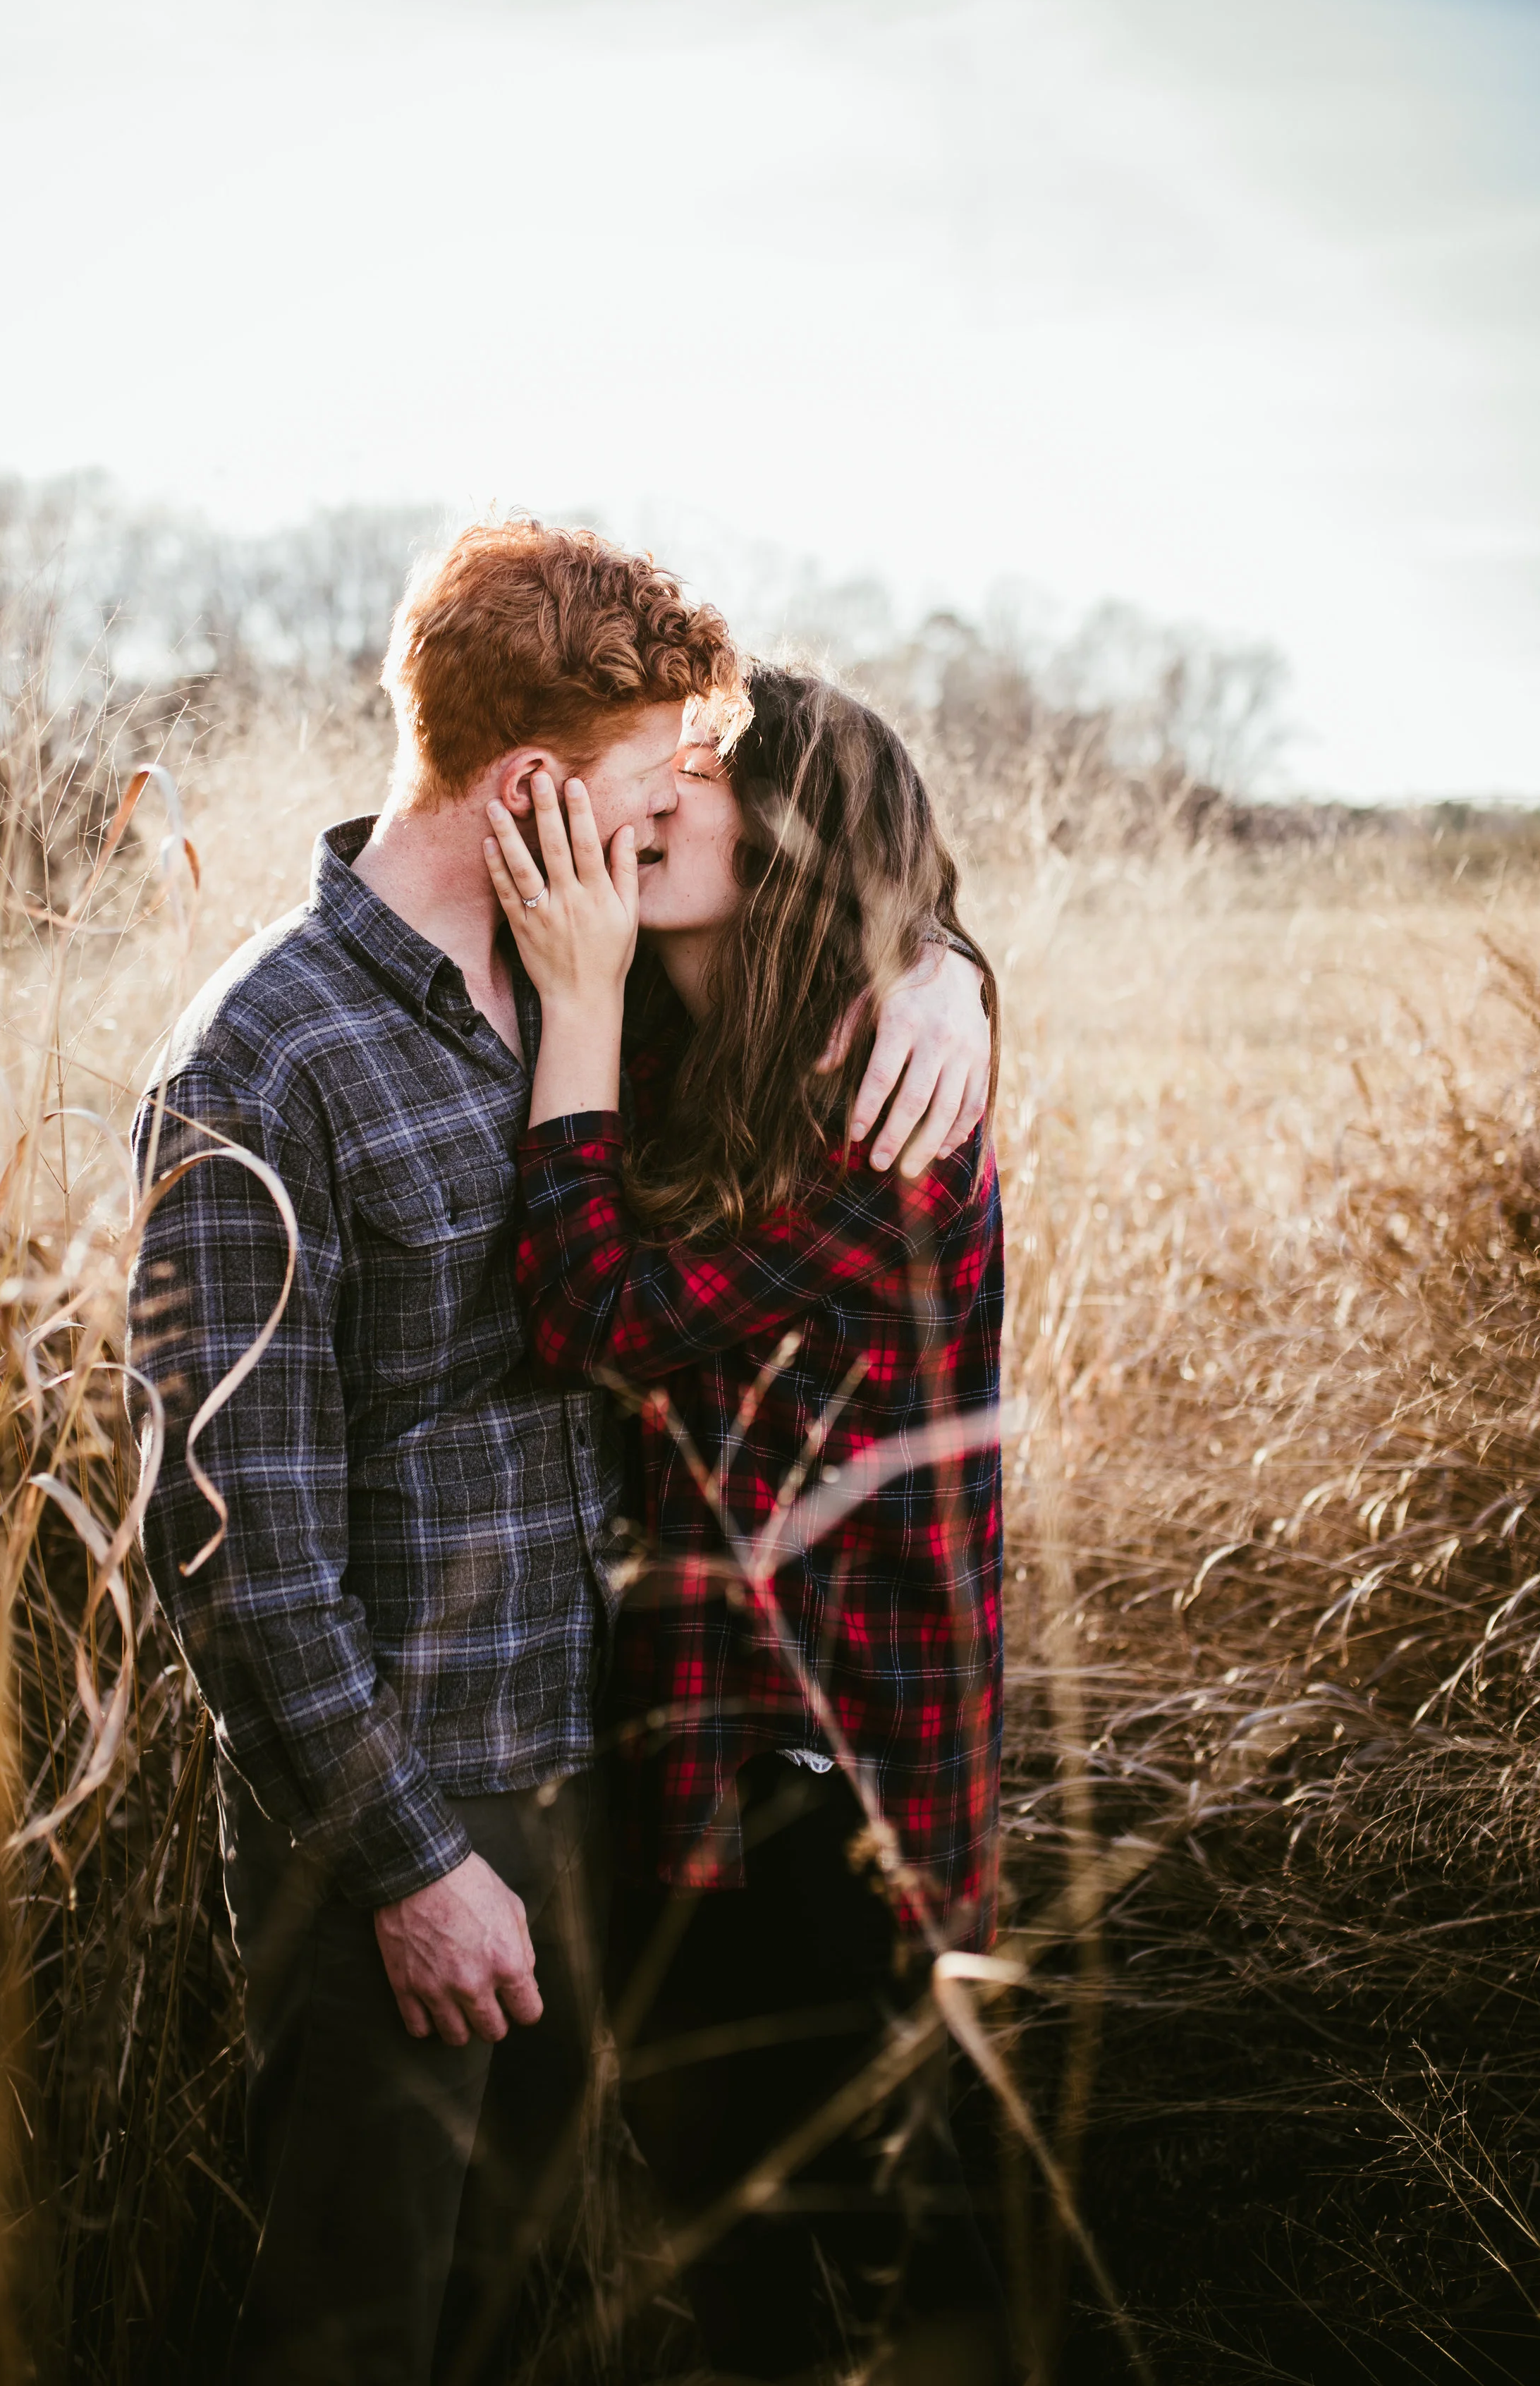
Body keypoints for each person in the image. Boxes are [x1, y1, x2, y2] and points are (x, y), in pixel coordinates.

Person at [125, 522, 994, 2386]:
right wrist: (405, 1860)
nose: (681, 798)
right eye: (652, 771)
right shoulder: (269, 1060)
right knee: (361, 2327)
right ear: (531, 785)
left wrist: (942, 965)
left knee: (535, 2316)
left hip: (618, 1791)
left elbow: (813, 907)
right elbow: (228, 1536)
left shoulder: (572, 994)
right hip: (415, 1814)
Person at [487, 662, 1006, 2382]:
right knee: (721, 2253)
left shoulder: (883, 1107)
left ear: (793, 841)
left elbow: (591, 1317)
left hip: (828, 1785)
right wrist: (957, 960)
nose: (650, 798)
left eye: (694, 772)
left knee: (827, 2279)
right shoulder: (693, 1043)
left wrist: (574, 1002)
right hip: (695, 1745)